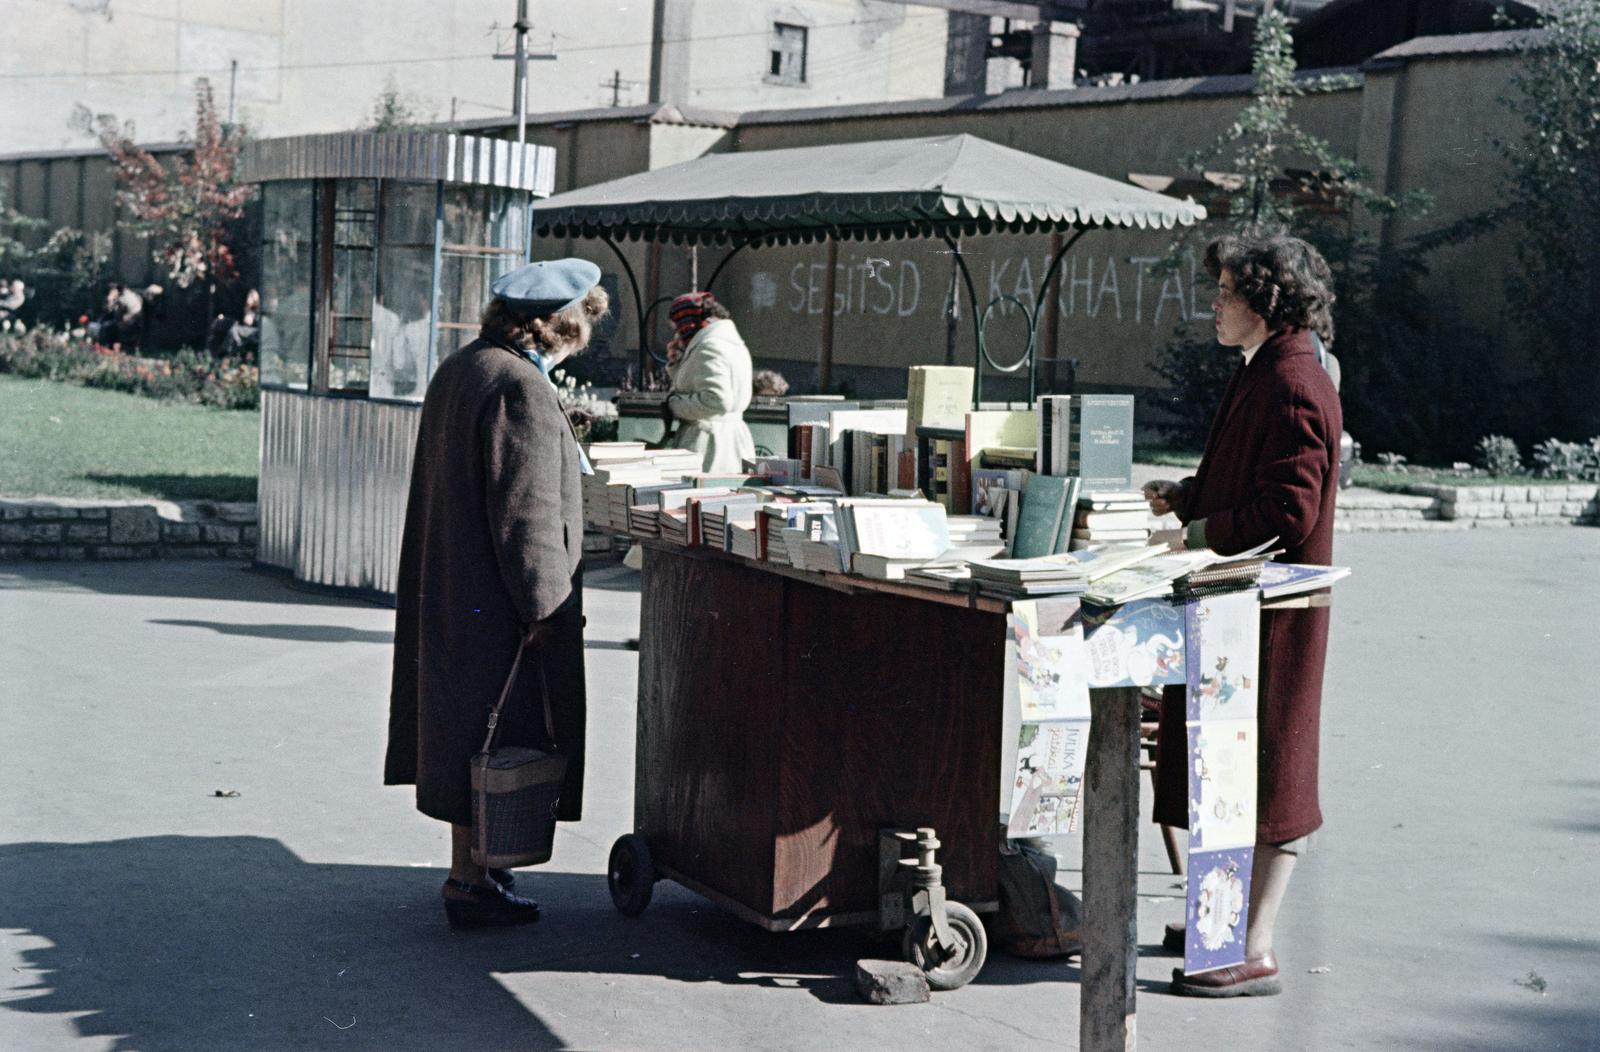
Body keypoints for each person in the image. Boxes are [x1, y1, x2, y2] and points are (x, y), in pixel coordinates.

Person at [1143, 233, 1342, 998]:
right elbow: (1244, 477)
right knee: (1224, 771)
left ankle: (1249, 947)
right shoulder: (1267, 368)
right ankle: (1216, 923)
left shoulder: (1294, 380)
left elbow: (1287, 512)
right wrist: (1188, 495)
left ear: (1266, 300)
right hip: (1238, 609)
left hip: (1275, 616)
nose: (1215, 305)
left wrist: (1196, 530)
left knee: (1270, 779)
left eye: (1226, 293)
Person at [385, 258, 608, 930]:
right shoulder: (520, 387)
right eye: (578, 330)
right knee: (497, 735)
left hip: (458, 589)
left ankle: (475, 866)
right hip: (501, 606)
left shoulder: (465, 366)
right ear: (555, 326)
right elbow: (530, 516)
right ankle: (471, 881)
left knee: (467, 737)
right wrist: (545, 609)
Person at [662, 291, 755, 472]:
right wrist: (677, 363)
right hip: (730, 441)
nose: (677, 335)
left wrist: (673, 404)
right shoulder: (729, 341)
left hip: (710, 445)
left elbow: (716, 400)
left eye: (677, 327)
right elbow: (697, 382)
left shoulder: (710, 346)